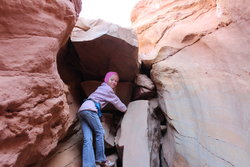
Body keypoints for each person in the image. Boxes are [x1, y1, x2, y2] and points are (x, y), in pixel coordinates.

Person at [78, 72, 127, 167]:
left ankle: (88, 165)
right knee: (100, 132)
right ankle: (101, 160)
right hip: (90, 110)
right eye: (112, 79)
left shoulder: (101, 88)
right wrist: (126, 109)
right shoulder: (108, 90)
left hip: (82, 110)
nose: (114, 82)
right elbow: (117, 102)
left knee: (87, 139)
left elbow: (96, 101)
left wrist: (100, 116)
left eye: (116, 81)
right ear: (106, 79)